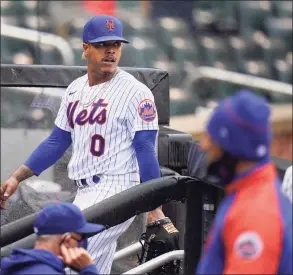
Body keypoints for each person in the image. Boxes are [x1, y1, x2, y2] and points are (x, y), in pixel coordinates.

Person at [0, 15, 178, 274]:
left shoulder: (136, 92)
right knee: (93, 267)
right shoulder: (74, 89)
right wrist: (18, 177)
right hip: (84, 191)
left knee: (65, 254)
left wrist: (154, 208)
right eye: (102, 44)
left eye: (116, 44)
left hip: (118, 189)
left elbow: (144, 148)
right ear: (85, 48)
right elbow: (57, 141)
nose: (110, 51)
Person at [195, 90, 292, 274]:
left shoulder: (256, 214)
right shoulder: (250, 191)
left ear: (233, 147)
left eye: (212, 139)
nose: (204, 145)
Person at [0, 202, 104, 274]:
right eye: (80, 237)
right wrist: (88, 269)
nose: (82, 243)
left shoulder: (16, 264)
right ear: (67, 240)